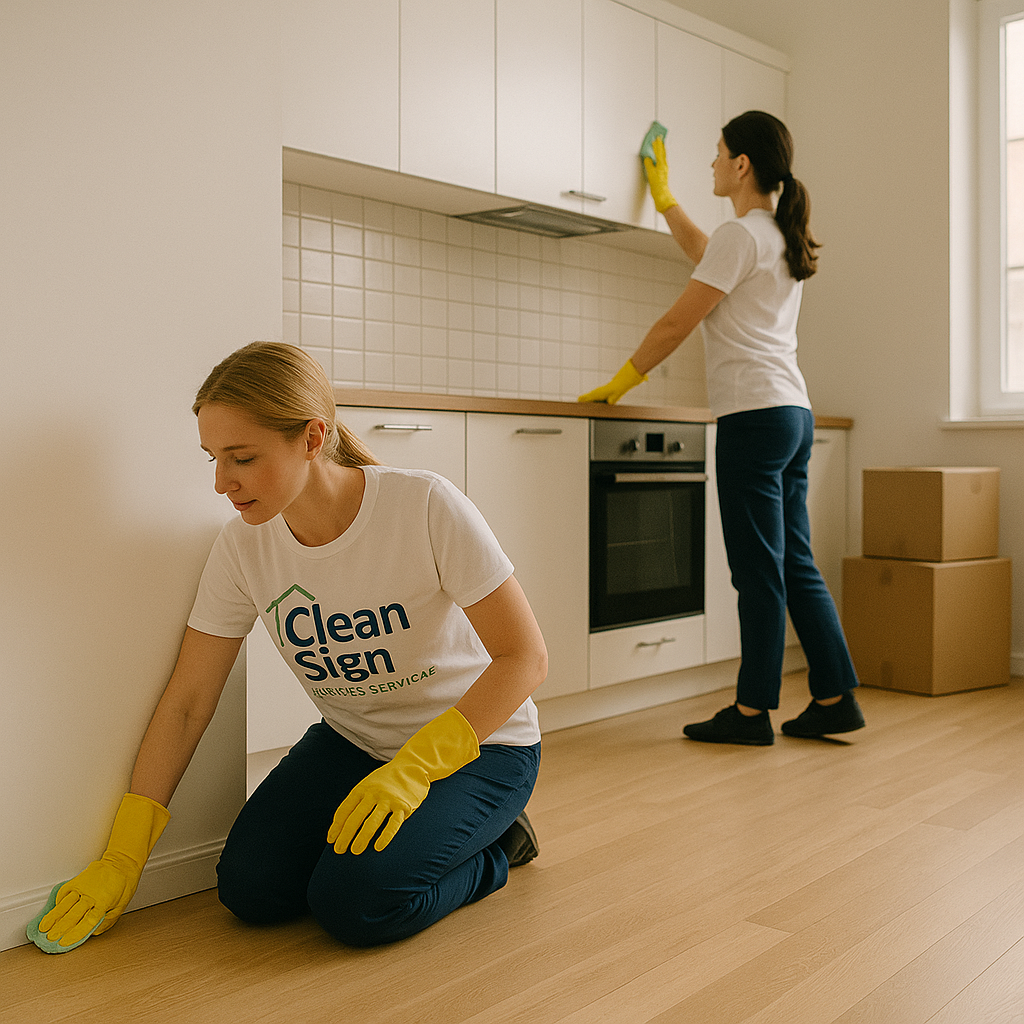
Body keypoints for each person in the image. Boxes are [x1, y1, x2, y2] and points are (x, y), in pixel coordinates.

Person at [31, 341, 547, 952]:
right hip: (356, 743)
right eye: (214, 458)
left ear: (311, 437)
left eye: (242, 458)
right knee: (251, 891)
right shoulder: (243, 546)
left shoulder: (423, 505)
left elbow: (524, 657)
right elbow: (189, 700)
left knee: (356, 905)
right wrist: (124, 854)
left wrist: (415, 769)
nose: (221, 483)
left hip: (481, 749)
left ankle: (496, 849)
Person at [579, 111, 864, 746]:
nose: (711, 162)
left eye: (717, 152)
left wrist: (622, 380)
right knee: (795, 563)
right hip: (792, 413)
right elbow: (707, 256)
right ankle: (834, 697)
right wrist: (664, 199)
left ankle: (751, 712)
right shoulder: (776, 234)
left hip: (753, 418)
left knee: (758, 572)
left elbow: (676, 323)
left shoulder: (742, 234)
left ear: (742, 164)